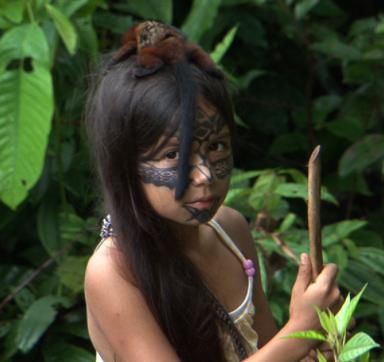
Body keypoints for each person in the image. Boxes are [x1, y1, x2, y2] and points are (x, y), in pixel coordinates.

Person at [84, 21, 341, 362]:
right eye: (174, 155)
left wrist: (319, 344)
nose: (204, 174)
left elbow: (266, 353)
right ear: (125, 165)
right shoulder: (113, 272)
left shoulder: (231, 231)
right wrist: (298, 331)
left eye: (217, 146)